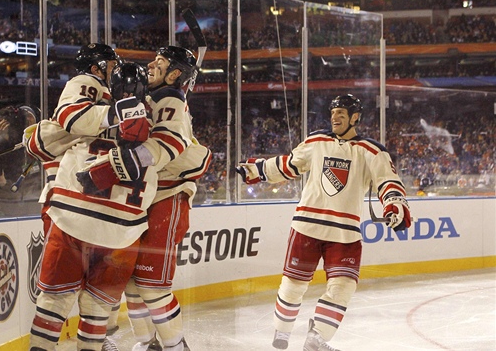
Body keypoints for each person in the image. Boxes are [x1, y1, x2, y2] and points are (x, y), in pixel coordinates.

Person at [236, 94, 412, 351]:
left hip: (345, 233)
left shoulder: (372, 151)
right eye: (333, 113)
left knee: (343, 287)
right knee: (294, 284)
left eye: (341, 113)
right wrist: (257, 170)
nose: (335, 117)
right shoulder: (316, 141)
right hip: (307, 225)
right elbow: (289, 165)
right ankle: (282, 332)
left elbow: (388, 182)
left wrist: (395, 205)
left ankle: (316, 337)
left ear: (355, 118)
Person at [78, 45, 212, 351]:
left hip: (169, 197)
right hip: (144, 200)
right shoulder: (150, 99)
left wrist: (106, 171)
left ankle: (176, 345)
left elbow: (165, 148)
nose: (151, 63)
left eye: (160, 62)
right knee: (133, 284)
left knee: (152, 284)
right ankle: (148, 343)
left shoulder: (171, 99)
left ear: (175, 73)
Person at [25, 44, 154, 351]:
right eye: (111, 64)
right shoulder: (149, 114)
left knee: (54, 301)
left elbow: (65, 121)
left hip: (74, 213)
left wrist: (42, 136)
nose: (113, 69)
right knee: (98, 307)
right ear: (97, 67)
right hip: (123, 228)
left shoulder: (93, 92)